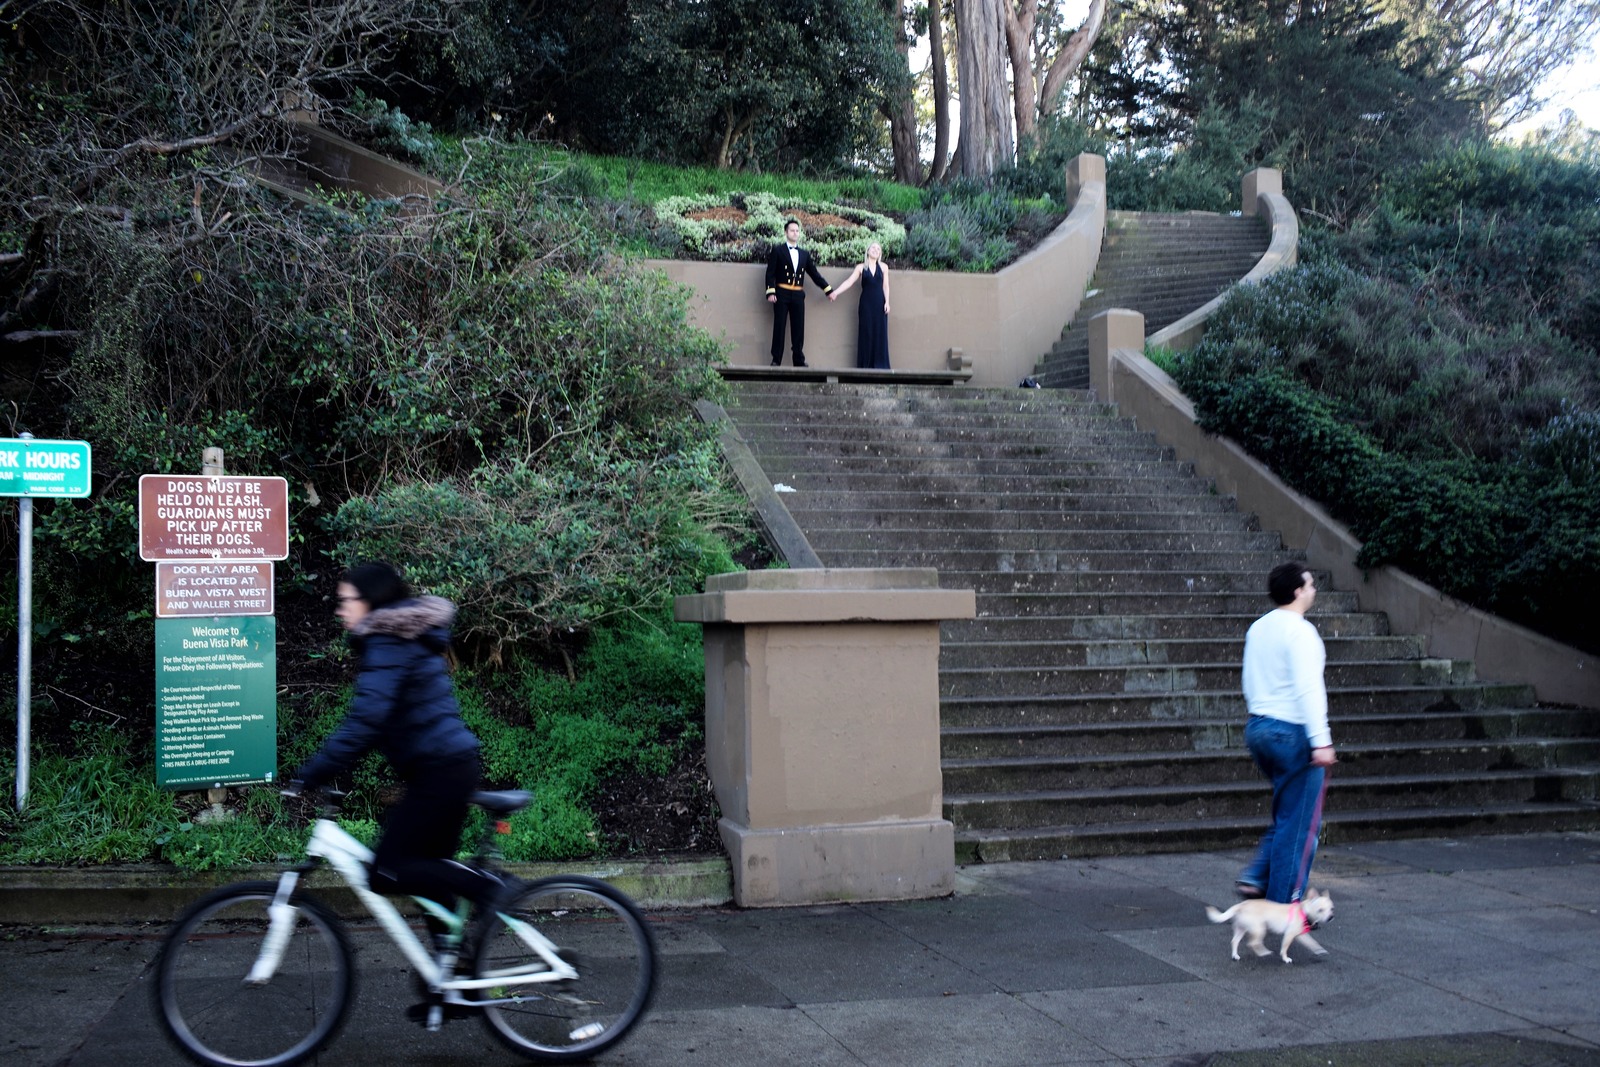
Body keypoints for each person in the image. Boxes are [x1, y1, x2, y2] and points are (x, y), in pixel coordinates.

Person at [293, 563, 509, 919]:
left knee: (385, 872)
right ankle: (451, 967)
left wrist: (314, 771)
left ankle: (490, 887)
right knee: (431, 878)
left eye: (347, 600)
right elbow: (381, 720)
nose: (340, 609)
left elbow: (367, 721)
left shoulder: (388, 641)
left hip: (439, 770)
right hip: (447, 766)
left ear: (371, 600)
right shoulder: (404, 638)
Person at [1235, 561, 1336, 904]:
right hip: (1293, 732)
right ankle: (1283, 905)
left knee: (1287, 814)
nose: (1313, 590)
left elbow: (1248, 680)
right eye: (1309, 585)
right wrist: (1321, 741)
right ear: (1297, 592)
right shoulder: (1301, 631)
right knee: (1300, 827)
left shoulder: (1258, 628)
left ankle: (1255, 877)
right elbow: (1310, 689)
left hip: (1259, 727)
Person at [764, 218, 833, 367]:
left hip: (797, 295)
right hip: (781, 293)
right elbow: (770, 273)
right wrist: (770, 292)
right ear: (786, 232)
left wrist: (828, 290)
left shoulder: (804, 254)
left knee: (798, 329)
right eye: (792, 230)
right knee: (779, 327)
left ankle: (798, 360)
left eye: (797, 231)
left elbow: (814, 274)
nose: (795, 233)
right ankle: (776, 360)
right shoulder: (778, 250)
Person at [828, 241, 891, 369]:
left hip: (880, 304)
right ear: (868, 251)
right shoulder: (861, 267)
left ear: (880, 254)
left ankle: (880, 365)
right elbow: (849, 282)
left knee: (880, 333)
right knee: (866, 332)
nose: (875, 250)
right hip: (866, 304)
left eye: (878, 249)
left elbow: (885, 286)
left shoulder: (884, 267)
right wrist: (835, 293)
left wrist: (887, 302)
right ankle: (865, 366)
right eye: (873, 247)